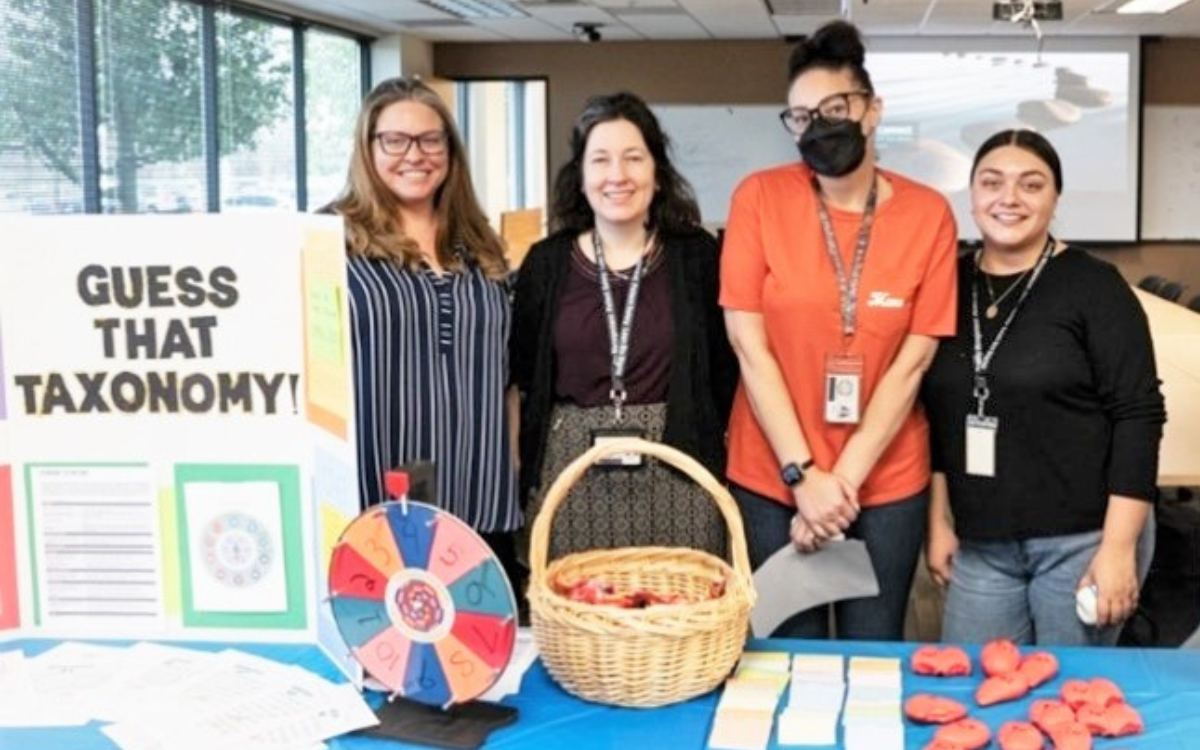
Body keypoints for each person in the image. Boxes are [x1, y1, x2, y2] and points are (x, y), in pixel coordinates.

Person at [720, 20, 958, 640]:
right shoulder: (758, 199)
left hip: (885, 481)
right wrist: (803, 478)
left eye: (835, 108)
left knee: (872, 654)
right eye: (801, 117)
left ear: (872, 110)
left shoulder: (929, 214)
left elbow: (913, 364)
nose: (818, 127)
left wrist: (838, 486)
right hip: (772, 476)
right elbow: (750, 347)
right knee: (782, 653)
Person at [922, 129, 1165, 646]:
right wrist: (938, 520)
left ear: (1055, 199)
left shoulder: (1094, 286)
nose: (1009, 198)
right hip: (982, 540)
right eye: (992, 183)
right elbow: (938, 416)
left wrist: (1118, 549)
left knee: (1069, 689)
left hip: (1083, 539)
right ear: (972, 194)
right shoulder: (946, 282)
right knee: (974, 683)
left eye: (1031, 185)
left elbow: (1138, 415)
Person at [510, 91, 738, 561]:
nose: (617, 175)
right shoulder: (545, 263)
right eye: (600, 160)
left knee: (682, 599)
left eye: (633, 158)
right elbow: (522, 379)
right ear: (580, 175)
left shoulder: (697, 257)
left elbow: (725, 370)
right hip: (570, 471)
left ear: (658, 172)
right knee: (577, 601)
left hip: (680, 464)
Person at [329, 77, 521, 569]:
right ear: (368, 148)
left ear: (450, 151)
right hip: (377, 504)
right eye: (395, 140)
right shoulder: (331, 243)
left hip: (481, 495)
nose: (415, 155)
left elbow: (507, 375)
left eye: (430, 140)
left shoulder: (480, 246)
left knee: (479, 618)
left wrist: (518, 461)